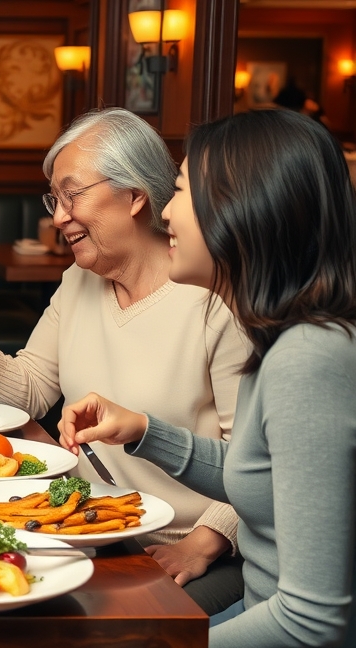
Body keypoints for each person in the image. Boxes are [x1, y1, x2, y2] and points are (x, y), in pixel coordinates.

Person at [0, 107, 249, 614]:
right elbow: (30, 391)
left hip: (184, 544)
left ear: (134, 196)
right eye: (54, 199)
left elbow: (255, 464)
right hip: (84, 525)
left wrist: (201, 543)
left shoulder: (214, 299)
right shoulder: (79, 281)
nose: (58, 216)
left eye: (72, 194)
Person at [59, 109, 356, 646]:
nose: (166, 211)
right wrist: (145, 431)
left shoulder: (310, 359)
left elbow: (314, 622)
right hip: (255, 608)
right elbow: (261, 477)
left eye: (179, 191)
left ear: (245, 208)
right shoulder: (283, 339)